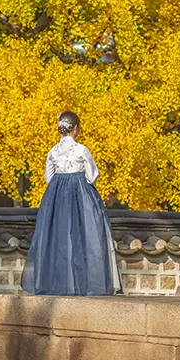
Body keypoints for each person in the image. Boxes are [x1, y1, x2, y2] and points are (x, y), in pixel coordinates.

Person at [21, 112, 123, 296]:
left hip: (57, 200)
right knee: (85, 237)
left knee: (57, 238)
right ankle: (84, 284)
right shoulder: (82, 150)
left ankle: (56, 283)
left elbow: (48, 177)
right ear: (76, 129)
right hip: (81, 198)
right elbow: (92, 176)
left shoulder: (53, 151)